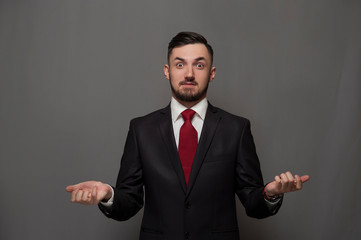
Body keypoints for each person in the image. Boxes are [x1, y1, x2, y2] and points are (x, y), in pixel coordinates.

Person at [66, 31, 309, 240]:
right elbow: (128, 202)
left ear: (212, 73)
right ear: (167, 71)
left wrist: (271, 192)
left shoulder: (236, 129)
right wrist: (108, 194)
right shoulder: (141, 129)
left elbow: (253, 203)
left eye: (199, 65)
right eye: (180, 64)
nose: (189, 73)